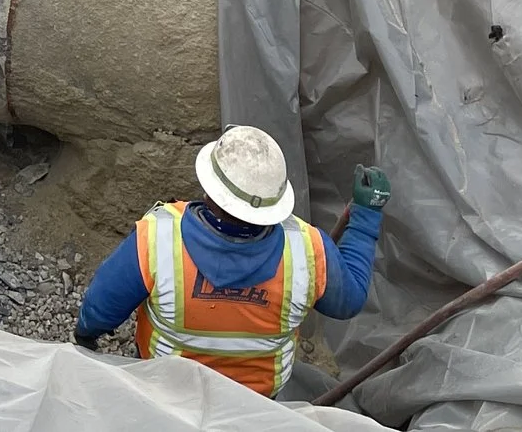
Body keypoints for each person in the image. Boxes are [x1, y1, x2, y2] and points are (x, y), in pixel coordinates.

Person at [72, 124, 389, 397]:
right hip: (257, 401)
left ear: (211, 189)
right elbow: (349, 300)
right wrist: (365, 218)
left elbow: (102, 305)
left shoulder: (158, 238)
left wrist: (86, 335)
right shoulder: (307, 249)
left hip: (166, 394)